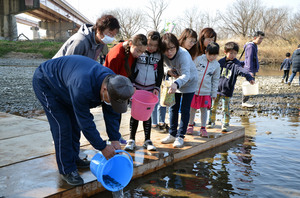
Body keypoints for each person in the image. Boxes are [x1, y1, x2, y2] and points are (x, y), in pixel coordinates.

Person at [32, 55, 134, 186]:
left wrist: (114, 138)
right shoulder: (83, 86)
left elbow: (112, 113)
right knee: (62, 127)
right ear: (104, 89)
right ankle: (66, 169)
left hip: (67, 85)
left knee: (74, 125)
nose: (111, 103)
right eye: (111, 100)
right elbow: (86, 122)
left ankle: (73, 158)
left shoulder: (115, 83)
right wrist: (102, 147)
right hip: (47, 82)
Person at [104, 34, 147, 144]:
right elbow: (108, 77)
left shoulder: (131, 51)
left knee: (118, 113)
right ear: (131, 44)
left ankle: (116, 135)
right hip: (110, 88)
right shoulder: (116, 55)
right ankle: (112, 139)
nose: (139, 55)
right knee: (111, 115)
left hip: (122, 87)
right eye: (138, 51)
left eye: (142, 52)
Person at [125, 31, 164, 151]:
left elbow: (161, 72)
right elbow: (130, 67)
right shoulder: (139, 52)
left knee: (147, 115)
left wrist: (157, 87)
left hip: (150, 89)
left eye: (154, 45)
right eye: (149, 44)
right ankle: (131, 139)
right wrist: (131, 83)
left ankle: (147, 140)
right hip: (137, 87)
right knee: (135, 114)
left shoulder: (159, 55)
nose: (151, 47)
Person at [160, 33, 198, 148]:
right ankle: (172, 134)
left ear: (176, 46)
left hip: (189, 82)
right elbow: (162, 66)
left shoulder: (183, 54)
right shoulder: (163, 54)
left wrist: (176, 83)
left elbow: (186, 75)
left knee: (185, 109)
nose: (169, 52)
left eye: (172, 48)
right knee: (173, 108)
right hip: (175, 82)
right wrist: (168, 71)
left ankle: (180, 136)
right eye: (166, 50)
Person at [207, 42, 255, 132]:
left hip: (227, 91)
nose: (233, 55)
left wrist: (249, 78)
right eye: (231, 53)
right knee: (213, 107)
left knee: (225, 109)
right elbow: (211, 71)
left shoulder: (236, 64)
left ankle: (225, 124)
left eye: (235, 53)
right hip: (216, 90)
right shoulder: (220, 62)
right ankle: (211, 122)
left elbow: (242, 71)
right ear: (225, 52)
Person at [187, 42, 220, 137]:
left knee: (204, 109)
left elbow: (215, 80)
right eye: (210, 54)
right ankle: (190, 125)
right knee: (192, 108)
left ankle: (203, 128)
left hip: (206, 92)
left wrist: (214, 93)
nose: (212, 57)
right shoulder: (199, 59)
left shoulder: (216, 65)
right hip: (194, 90)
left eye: (215, 55)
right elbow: (191, 70)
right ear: (206, 52)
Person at [53, 14, 120, 60]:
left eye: (113, 35)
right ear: (99, 30)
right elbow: (67, 67)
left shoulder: (99, 44)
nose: (111, 38)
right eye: (109, 34)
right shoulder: (80, 41)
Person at [241, 31, 264, 107]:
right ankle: (244, 102)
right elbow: (249, 59)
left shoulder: (254, 45)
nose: (261, 40)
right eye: (260, 38)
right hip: (249, 69)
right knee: (248, 84)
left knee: (249, 84)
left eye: (262, 39)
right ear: (255, 37)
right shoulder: (251, 46)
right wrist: (250, 71)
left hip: (250, 68)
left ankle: (245, 101)